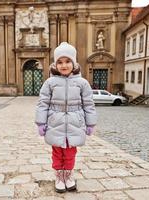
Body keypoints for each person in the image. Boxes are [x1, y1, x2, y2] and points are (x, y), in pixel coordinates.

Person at [35, 42, 97, 193]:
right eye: (60, 62)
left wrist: (90, 123)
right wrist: (41, 122)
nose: (64, 65)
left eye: (68, 61)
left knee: (70, 153)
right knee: (57, 153)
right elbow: (43, 103)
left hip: (75, 123)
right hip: (55, 123)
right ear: (55, 65)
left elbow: (89, 104)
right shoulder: (50, 83)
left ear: (74, 63)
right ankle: (59, 176)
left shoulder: (82, 83)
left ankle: (68, 176)